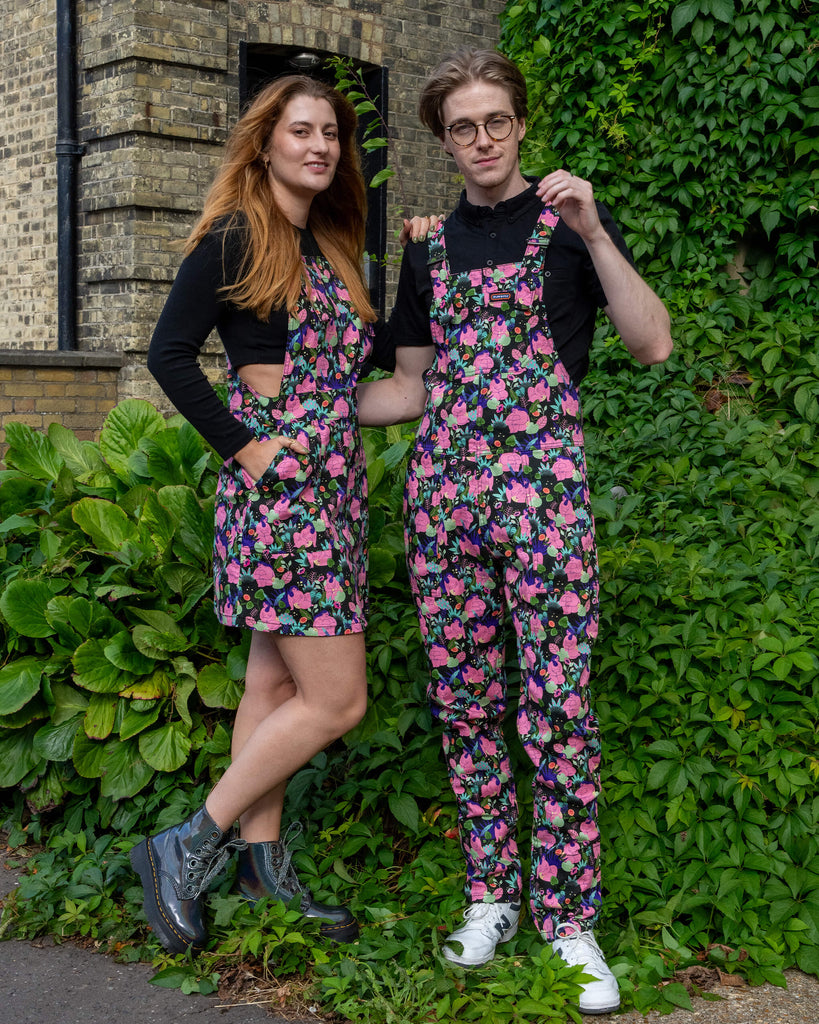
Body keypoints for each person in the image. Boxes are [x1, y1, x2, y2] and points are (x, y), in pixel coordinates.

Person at [357, 48, 673, 1015]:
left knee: (556, 707)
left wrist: (596, 232)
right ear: (443, 139)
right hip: (445, 501)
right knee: (464, 704)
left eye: (496, 121)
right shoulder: (429, 246)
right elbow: (409, 387)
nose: (483, 139)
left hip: (543, 500)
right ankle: (492, 894)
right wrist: (299, 408)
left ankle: (569, 919)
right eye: (463, 126)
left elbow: (651, 342)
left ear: (520, 125)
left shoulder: (571, 222)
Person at [132, 74, 397, 955]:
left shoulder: (326, 244)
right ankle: (187, 843)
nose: (319, 146)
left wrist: (431, 261)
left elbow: (358, 384)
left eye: (331, 133)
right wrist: (246, 449)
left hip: (332, 491)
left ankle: (260, 864)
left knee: (273, 686)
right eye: (300, 131)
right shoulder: (236, 234)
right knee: (337, 698)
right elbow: (169, 355)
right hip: (280, 496)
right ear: (265, 142)